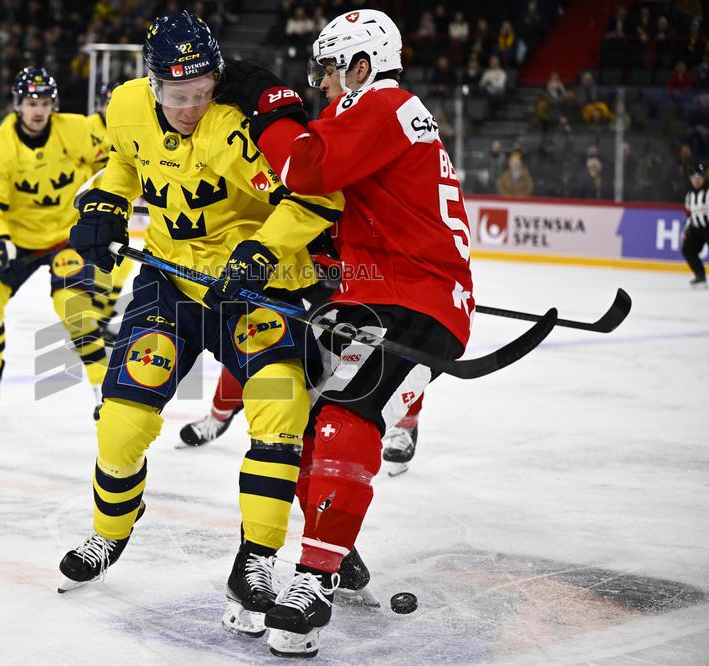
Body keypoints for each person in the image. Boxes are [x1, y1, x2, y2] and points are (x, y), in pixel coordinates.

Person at [58, 10, 344, 643]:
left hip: (253, 289)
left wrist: (264, 251)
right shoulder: (125, 106)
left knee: (282, 408)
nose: (190, 107)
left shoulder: (240, 127)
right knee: (123, 419)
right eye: (178, 95)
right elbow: (125, 166)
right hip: (169, 282)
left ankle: (258, 560)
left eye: (203, 92)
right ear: (152, 84)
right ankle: (110, 531)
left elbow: (316, 197)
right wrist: (105, 205)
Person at [218, 8, 473, 657]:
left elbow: (304, 170)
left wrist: (273, 109)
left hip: (414, 300)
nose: (323, 84)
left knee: (345, 422)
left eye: (330, 70)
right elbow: (355, 209)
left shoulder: (385, 104)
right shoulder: (380, 114)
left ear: (361, 65)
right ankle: (331, 546)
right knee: (308, 421)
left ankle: (314, 578)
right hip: (380, 293)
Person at [0, 68, 109, 419]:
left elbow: (110, 164)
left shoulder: (77, 130)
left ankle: (104, 388)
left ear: (54, 105)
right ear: (18, 105)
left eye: (44, 102)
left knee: (72, 305)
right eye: (31, 103)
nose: (38, 110)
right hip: (18, 242)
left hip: (68, 237)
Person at [85, 81, 135, 343]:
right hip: (88, 214)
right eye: (108, 103)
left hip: (113, 213)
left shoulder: (128, 130)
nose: (112, 108)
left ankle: (100, 318)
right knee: (98, 270)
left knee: (119, 267)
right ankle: (89, 323)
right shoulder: (85, 129)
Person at [683, 162, 709, 289]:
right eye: (694, 179)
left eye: (699, 178)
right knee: (687, 249)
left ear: (704, 179)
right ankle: (700, 276)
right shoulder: (689, 196)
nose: (696, 181)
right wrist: (686, 231)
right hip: (696, 229)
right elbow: (688, 215)